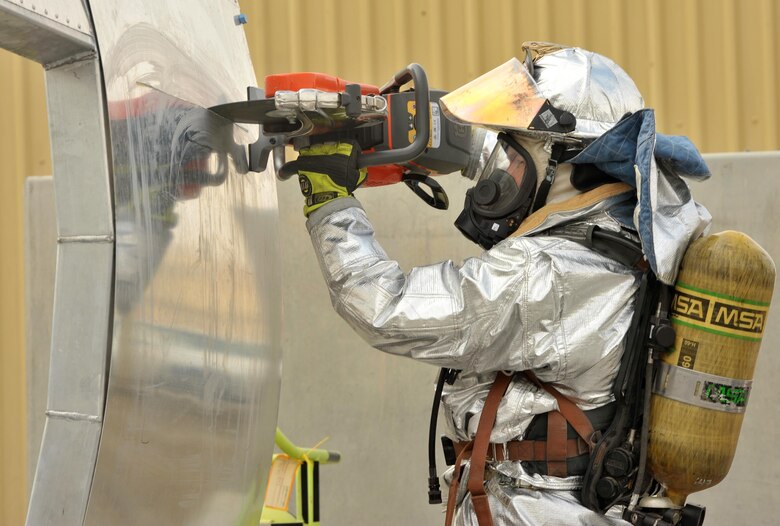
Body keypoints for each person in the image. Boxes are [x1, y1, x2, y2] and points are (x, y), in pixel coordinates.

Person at [286, 42, 711, 525]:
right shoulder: (624, 237)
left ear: (564, 160)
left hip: (528, 511)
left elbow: (386, 307)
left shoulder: (548, 274)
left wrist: (329, 202)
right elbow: (532, 164)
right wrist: (425, 133)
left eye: (515, 150)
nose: (502, 169)